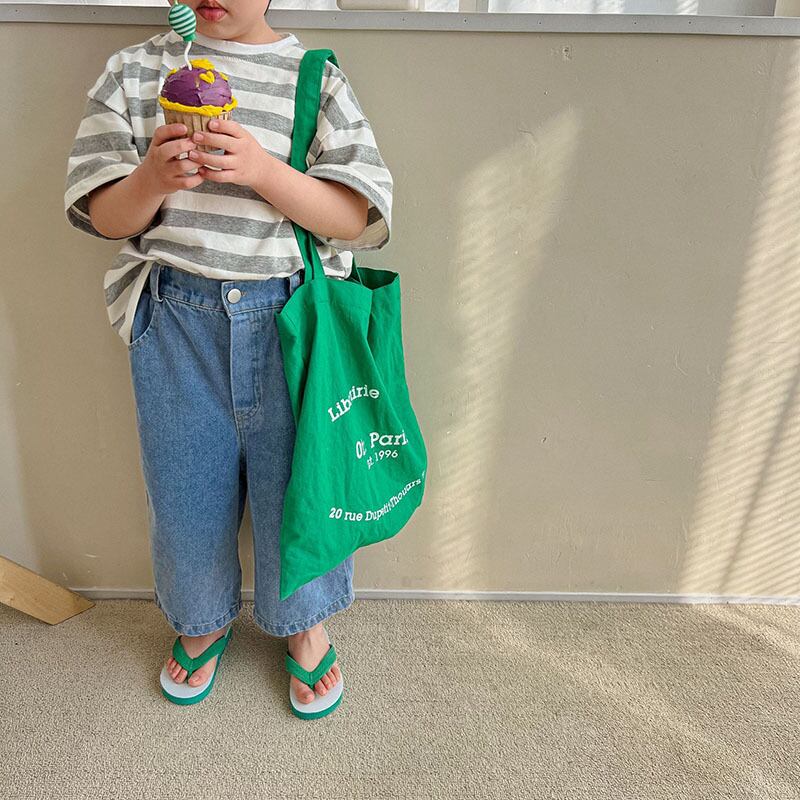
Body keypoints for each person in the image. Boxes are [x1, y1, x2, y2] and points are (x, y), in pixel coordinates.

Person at [63, 0, 393, 716]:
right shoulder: (136, 71)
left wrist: (263, 171)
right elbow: (102, 216)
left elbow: (354, 217)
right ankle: (201, 616)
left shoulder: (315, 77)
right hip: (176, 325)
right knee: (185, 494)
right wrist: (151, 180)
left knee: (300, 485)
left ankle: (305, 619)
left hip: (292, 323)